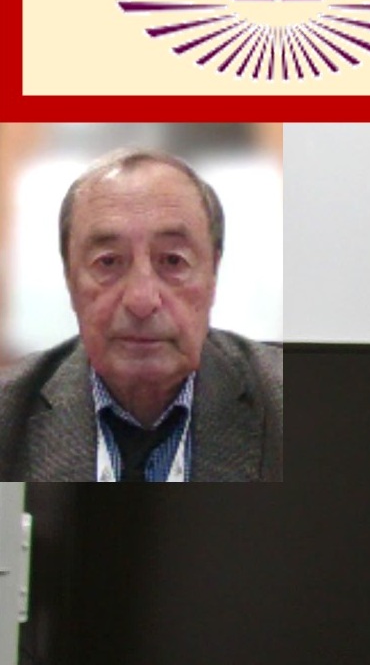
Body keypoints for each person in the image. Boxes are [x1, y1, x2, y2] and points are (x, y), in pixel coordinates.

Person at [0, 146, 283, 481]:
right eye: (108, 262)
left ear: (213, 274)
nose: (142, 300)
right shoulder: (9, 414)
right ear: (70, 279)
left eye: (173, 261)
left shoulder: (291, 405)